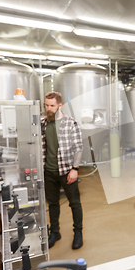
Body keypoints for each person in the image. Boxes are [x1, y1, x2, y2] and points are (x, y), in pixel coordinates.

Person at [42, 92, 84, 249]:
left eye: (52, 105)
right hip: (49, 171)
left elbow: (79, 147)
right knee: (53, 203)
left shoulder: (70, 123)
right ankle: (55, 232)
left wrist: (75, 169)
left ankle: (78, 233)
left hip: (67, 170)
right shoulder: (43, 124)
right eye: (46, 105)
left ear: (60, 105)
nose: (48, 108)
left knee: (74, 203)